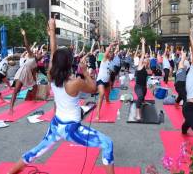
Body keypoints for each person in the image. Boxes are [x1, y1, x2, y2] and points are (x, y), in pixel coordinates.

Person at [8, 19, 115, 174]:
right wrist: (85, 72)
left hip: (56, 124)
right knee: (107, 143)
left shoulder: (52, 74)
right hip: (71, 129)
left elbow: (53, 52)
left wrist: (52, 31)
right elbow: (94, 88)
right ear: (70, 63)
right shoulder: (74, 82)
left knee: (35, 152)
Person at [9, 29, 38, 114]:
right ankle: (11, 108)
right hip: (22, 72)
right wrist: (24, 35)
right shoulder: (29, 57)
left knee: (35, 86)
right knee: (16, 90)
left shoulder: (34, 61)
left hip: (28, 74)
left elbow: (33, 74)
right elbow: (27, 45)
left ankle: (33, 99)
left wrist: (34, 81)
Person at [95, 41, 118, 120]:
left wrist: (110, 82)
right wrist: (111, 44)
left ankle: (107, 102)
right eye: (109, 53)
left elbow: (109, 72)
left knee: (107, 96)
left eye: (112, 54)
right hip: (101, 80)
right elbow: (107, 52)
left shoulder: (110, 62)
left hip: (107, 81)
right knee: (101, 95)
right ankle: (97, 114)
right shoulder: (104, 59)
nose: (110, 54)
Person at [134, 38, 149, 121]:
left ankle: (143, 101)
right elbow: (143, 53)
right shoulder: (140, 66)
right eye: (145, 59)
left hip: (144, 87)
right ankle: (137, 115)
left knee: (143, 96)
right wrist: (143, 43)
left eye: (147, 59)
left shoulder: (146, 69)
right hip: (138, 86)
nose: (146, 59)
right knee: (140, 97)